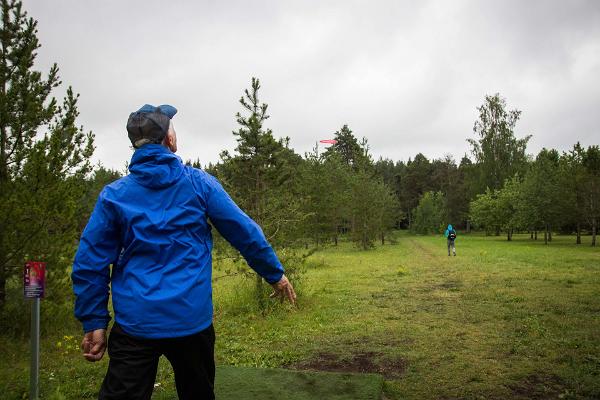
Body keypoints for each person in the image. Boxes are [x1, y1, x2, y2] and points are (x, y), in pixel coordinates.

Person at [71, 104, 296, 400]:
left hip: (136, 324)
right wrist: (275, 274)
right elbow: (244, 231)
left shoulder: (114, 195)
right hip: (190, 321)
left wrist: (94, 321)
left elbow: (90, 262)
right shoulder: (199, 184)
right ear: (169, 141)